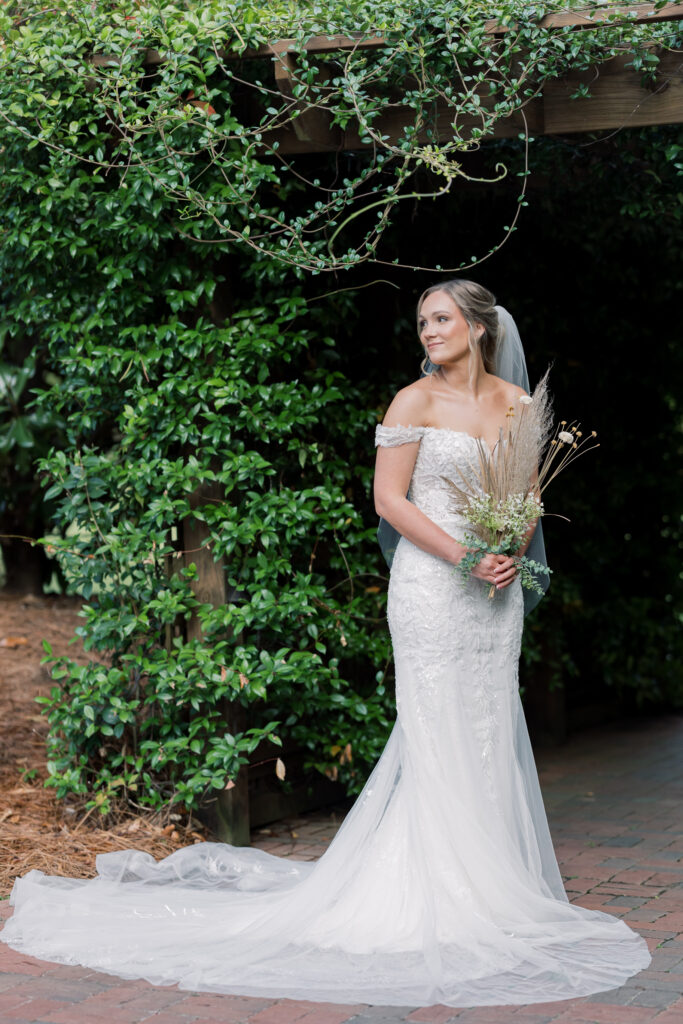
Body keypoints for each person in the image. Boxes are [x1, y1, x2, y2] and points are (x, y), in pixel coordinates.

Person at [1, 280, 650, 1007]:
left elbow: (526, 496)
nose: (427, 332)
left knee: (486, 727)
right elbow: (389, 501)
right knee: (434, 726)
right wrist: (464, 557)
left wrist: (506, 551)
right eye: (420, 322)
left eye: (439, 320)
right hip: (433, 591)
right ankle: (437, 892)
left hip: (493, 598)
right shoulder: (413, 401)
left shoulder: (518, 404)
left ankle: (490, 881)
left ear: (477, 325)